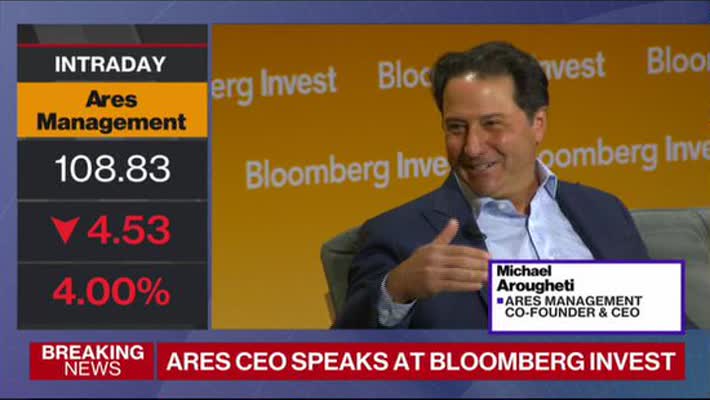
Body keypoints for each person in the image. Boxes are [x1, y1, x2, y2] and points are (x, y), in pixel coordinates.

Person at [333, 41, 672, 329]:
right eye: (456, 128)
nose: (472, 147)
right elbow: (346, 356)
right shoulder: (398, 233)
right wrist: (397, 289)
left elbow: (666, 323)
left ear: (538, 124)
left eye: (492, 124)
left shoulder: (602, 209)